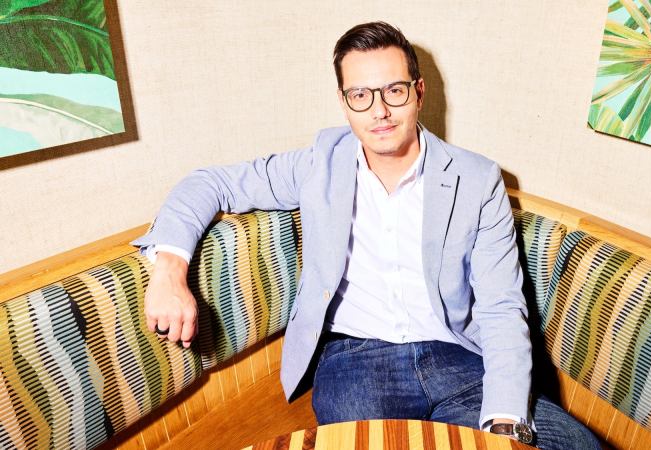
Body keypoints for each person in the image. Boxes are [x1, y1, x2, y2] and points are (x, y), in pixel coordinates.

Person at [133, 21, 599, 449]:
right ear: (343, 102)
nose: (379, 111)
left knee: (576, 445)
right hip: (357, 363)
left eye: (394, 90)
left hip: (459, 358)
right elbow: (208, 183)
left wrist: (505, 423)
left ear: (418, 92)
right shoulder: (319, 163)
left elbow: (501, 307)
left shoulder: (476, 179)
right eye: (360, 95)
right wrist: (170, 271)